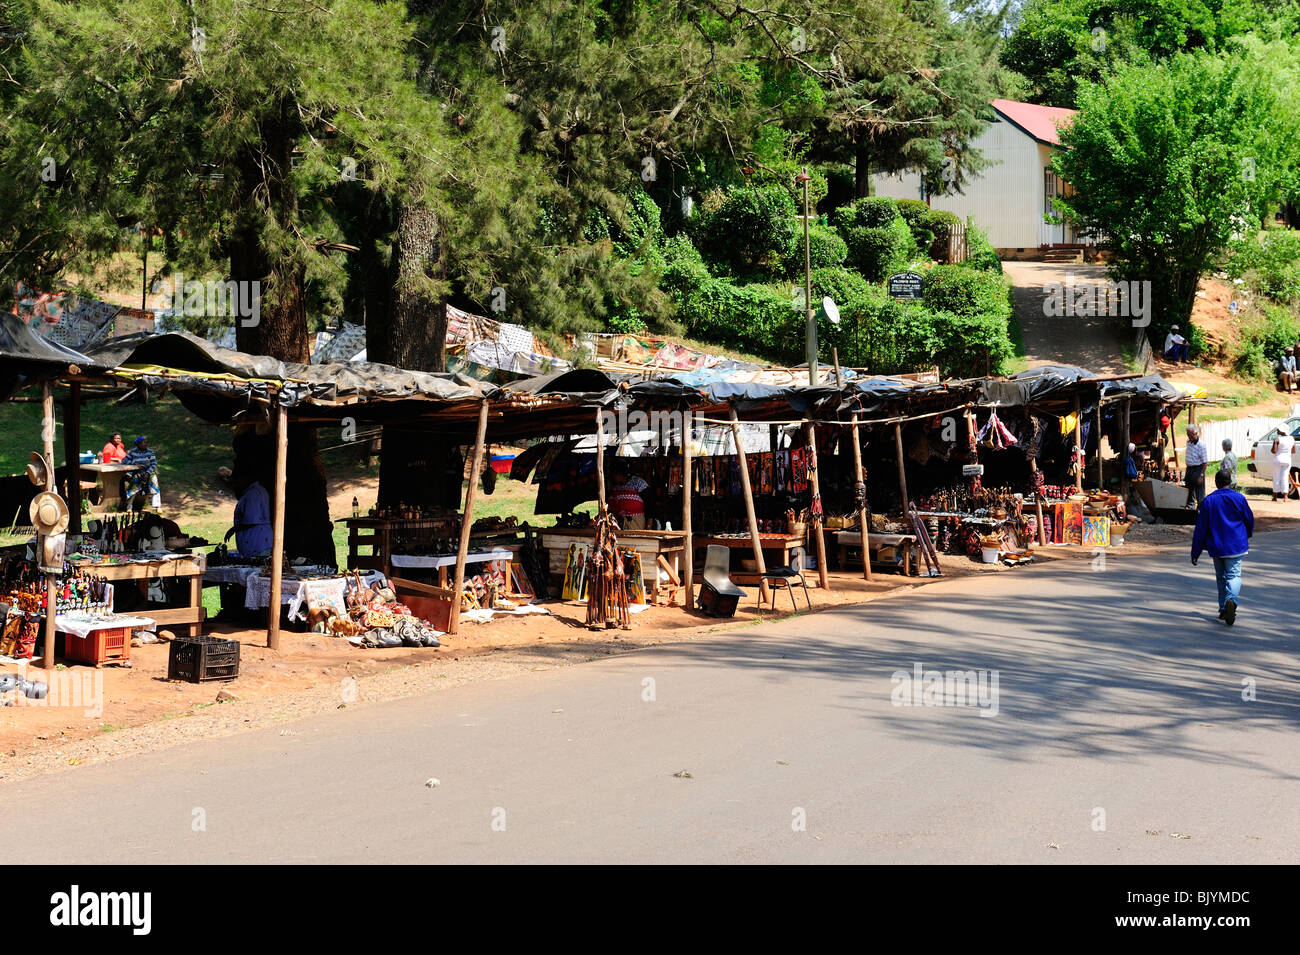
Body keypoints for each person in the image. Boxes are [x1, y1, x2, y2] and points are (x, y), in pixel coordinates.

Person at [1191, 468, 1254, 626]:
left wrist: (1196, 551)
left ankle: (1223, 608)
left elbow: (1201, 528)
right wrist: (1247, 534)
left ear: (1216, 483)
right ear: (1230, 482)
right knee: (1233, 576)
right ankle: (1230, 599)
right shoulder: (1239, 498)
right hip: (1236, 545)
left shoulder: (1208, 501)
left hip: (1217, 546)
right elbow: (1249, 519)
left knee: (1221, 577)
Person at [224, 471, 272, 556]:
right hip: (260, 542)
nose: (236, 484)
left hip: (257, 543)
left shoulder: (252, 494)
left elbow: (250, 520)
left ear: (245, 479)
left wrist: (233, 530)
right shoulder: (257, 491)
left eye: (237, 481)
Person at [122, 435, 161, 510]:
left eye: (146, 442)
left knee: (154, 482)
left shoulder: (150, 452)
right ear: (139, 444)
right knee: (133, 485)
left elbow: (153, 464)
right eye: (144, 442)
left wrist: (148, 473)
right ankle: (129, 507)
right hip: (138, 473)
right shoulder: (133, 452)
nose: (146, 444)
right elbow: (124, 461)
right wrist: (134, 463)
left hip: (149, 472)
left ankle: (157, 506)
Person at [1183, 425, 1207, 507]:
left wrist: (1201, 475)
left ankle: (1201, 512)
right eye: (1188, 435)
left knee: (1200, 494)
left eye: (1191, 435)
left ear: (1196, 434)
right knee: (1189, 493)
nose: (1189, 437)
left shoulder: (1201, 445)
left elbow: (1205, 462)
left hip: (1198, 469)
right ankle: (1190, 512)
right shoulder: (1188, 442)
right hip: (1189, 469)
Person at [1270, 426, 1295, 501]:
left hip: (1278, 460)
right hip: (1287, 460)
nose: (1277, 430)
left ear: (1282, 431)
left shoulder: (1277, 439)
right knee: (1285, 478)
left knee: (1276, 477)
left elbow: (1274, 451)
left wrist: (1274, 443)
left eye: (1278, 429)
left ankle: (1275, 497)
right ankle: (1285, 497)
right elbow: (1293, 451)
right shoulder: (1292, 439)